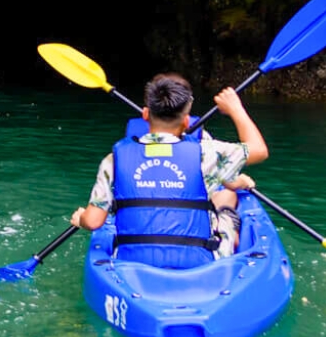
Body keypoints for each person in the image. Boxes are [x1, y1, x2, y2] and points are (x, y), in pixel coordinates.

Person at [69, 73, 266, 266]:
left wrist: (82, 219)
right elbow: (259, 150)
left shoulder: (114, 159)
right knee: (226, 198)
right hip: (198, 262)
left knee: (225, 191)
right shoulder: (207, 152)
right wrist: (235, 109)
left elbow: (94, 222)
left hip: (132, 263)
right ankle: (228, 225)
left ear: (145, 114)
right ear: (186, 121)